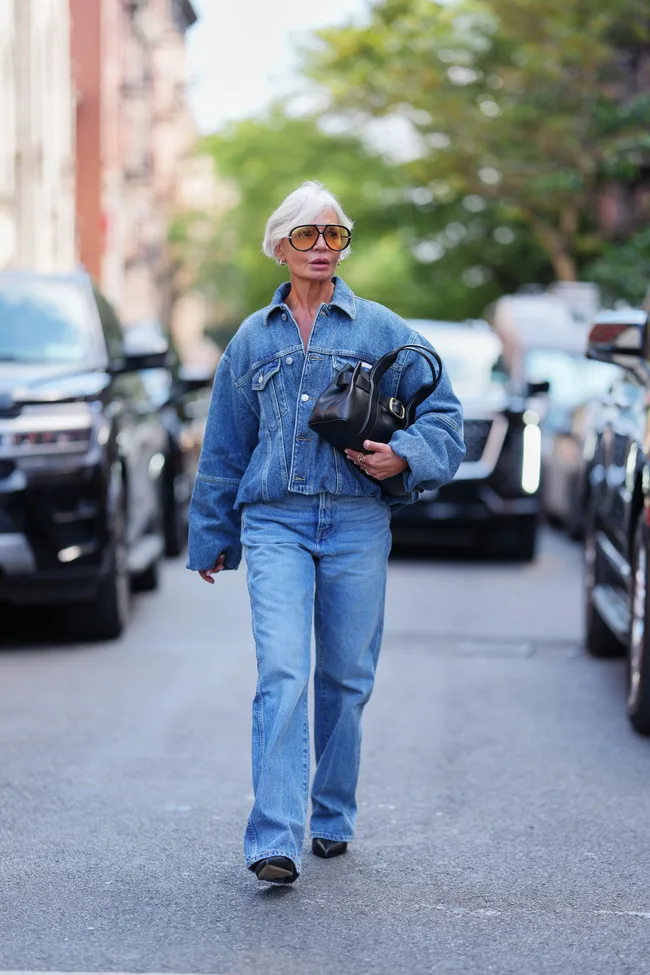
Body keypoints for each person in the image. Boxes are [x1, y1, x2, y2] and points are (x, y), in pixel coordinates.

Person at [187, 181, 465, 885]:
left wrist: (406, 453)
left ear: (344, 247)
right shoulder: (253, 338)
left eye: (334, 236)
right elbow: (224, 444)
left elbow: (446, 416)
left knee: (346, 676)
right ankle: (274, 836)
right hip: (275, 519)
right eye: (307, 236)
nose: (320, 248)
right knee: (282, 670)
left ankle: (331, 812)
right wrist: (212, 534)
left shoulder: (380, 329)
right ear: (280, 246)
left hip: (355, 520)